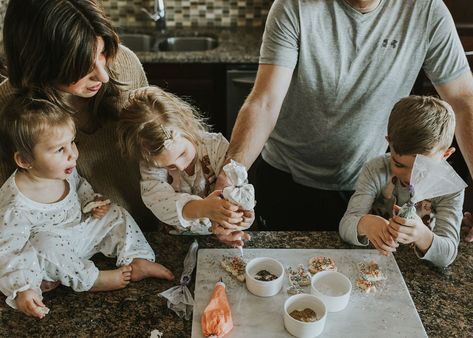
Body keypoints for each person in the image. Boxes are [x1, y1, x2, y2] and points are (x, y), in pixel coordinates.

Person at [213, 0, 473, 235]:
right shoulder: (294, 6)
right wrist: (229, 174)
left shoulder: (426, 11)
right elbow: (264, 102)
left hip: (368, 187)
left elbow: (464, 102)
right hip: (286, 180)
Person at [0, 95, 174, 319]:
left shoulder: (63, 171)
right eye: (59, 149)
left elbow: (81, 188)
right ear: (25, 161)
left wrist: (92, 203)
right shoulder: (14, 203)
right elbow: (8, 251)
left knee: (115, 212)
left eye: (72, 142)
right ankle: (93, 280)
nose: (72, 154)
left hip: (78, 236)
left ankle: (136, 258)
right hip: (48, 259)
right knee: (45, 244)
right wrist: (23, 288)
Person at [0, 0, 149, 222]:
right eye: (82, 66)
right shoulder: (7, 105)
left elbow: (160, 144)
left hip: (151, 228)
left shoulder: (125, 63)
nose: (103, 75)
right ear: (40, 64)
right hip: (72, 246)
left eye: (102, 53)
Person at [339, 96, 464, 268]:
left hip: (417, 270)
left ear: (445, 155)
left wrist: (421, 235)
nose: (410, 176)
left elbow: (447, 255)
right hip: (372, 263)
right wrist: (364, 224)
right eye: (398, 164)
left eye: (422, 168)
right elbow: (346, 226)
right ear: (389, 142)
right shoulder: (375, 170)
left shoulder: (450, 188)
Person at [116, 87, 254, 239]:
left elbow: (238, 187)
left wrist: (239, 218)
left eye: (182, 154)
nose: (180, 167)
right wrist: (203, 208)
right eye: (168, 166)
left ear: (187, 124)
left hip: (216, 237)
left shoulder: (216, 147)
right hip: (175, 238)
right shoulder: (150, 166)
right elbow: (161, 203)